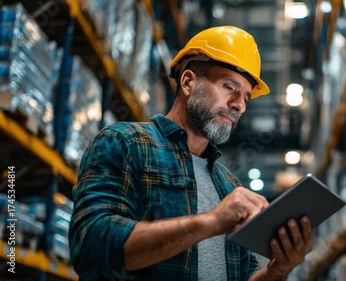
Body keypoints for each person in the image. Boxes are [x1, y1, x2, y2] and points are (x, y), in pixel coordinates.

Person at [69, 26, 312, 281]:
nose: (239, 105)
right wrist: (209, 222)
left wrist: (278, 269)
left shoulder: (228, 184)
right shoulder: (125, 143)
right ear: (188, 82)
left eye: (246, 98)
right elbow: (90, 247)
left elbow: (244, 275)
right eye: (230, 86)